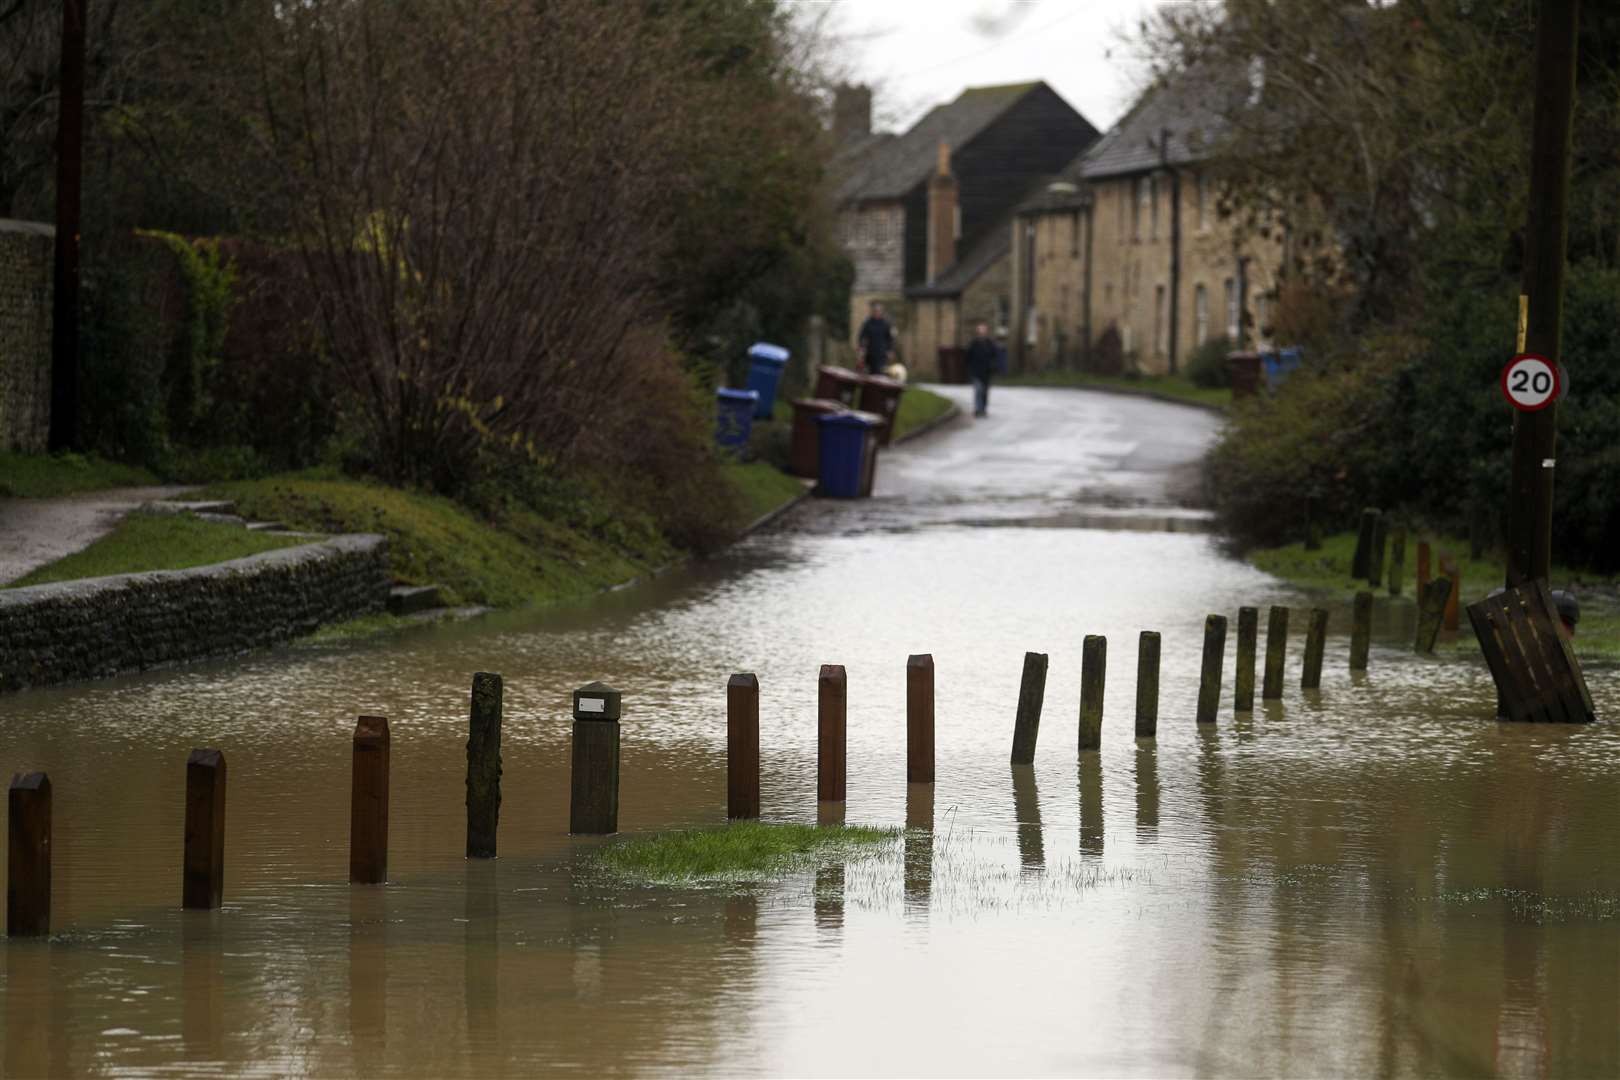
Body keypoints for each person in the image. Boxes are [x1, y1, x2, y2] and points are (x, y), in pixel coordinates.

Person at [964, 320, 997, 417]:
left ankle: (983, 409)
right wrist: (970, 368)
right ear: (978, 331)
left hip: (986, 371)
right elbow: (968, 357)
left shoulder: (990, 344)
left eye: (984, 330)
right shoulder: (973, 343)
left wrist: (993, 367)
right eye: (980, 330)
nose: (982, 332)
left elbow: (994, 356)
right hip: (976, 371)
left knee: (985, 392)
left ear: (986, 332)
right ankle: (977, 409)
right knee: (978, 390)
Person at [856, 302, 895, 374]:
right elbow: (862, 337)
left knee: (881, 372)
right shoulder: (867, 323)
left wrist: (890, 350)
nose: (877, 312)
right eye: (875, 311)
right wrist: (861, 349)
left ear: (881, 312)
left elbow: (890, 339)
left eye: (879, 311)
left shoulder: (886, 324)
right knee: (870, 373)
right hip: (870, 354)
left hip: (881, 354)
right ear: (872, 312)